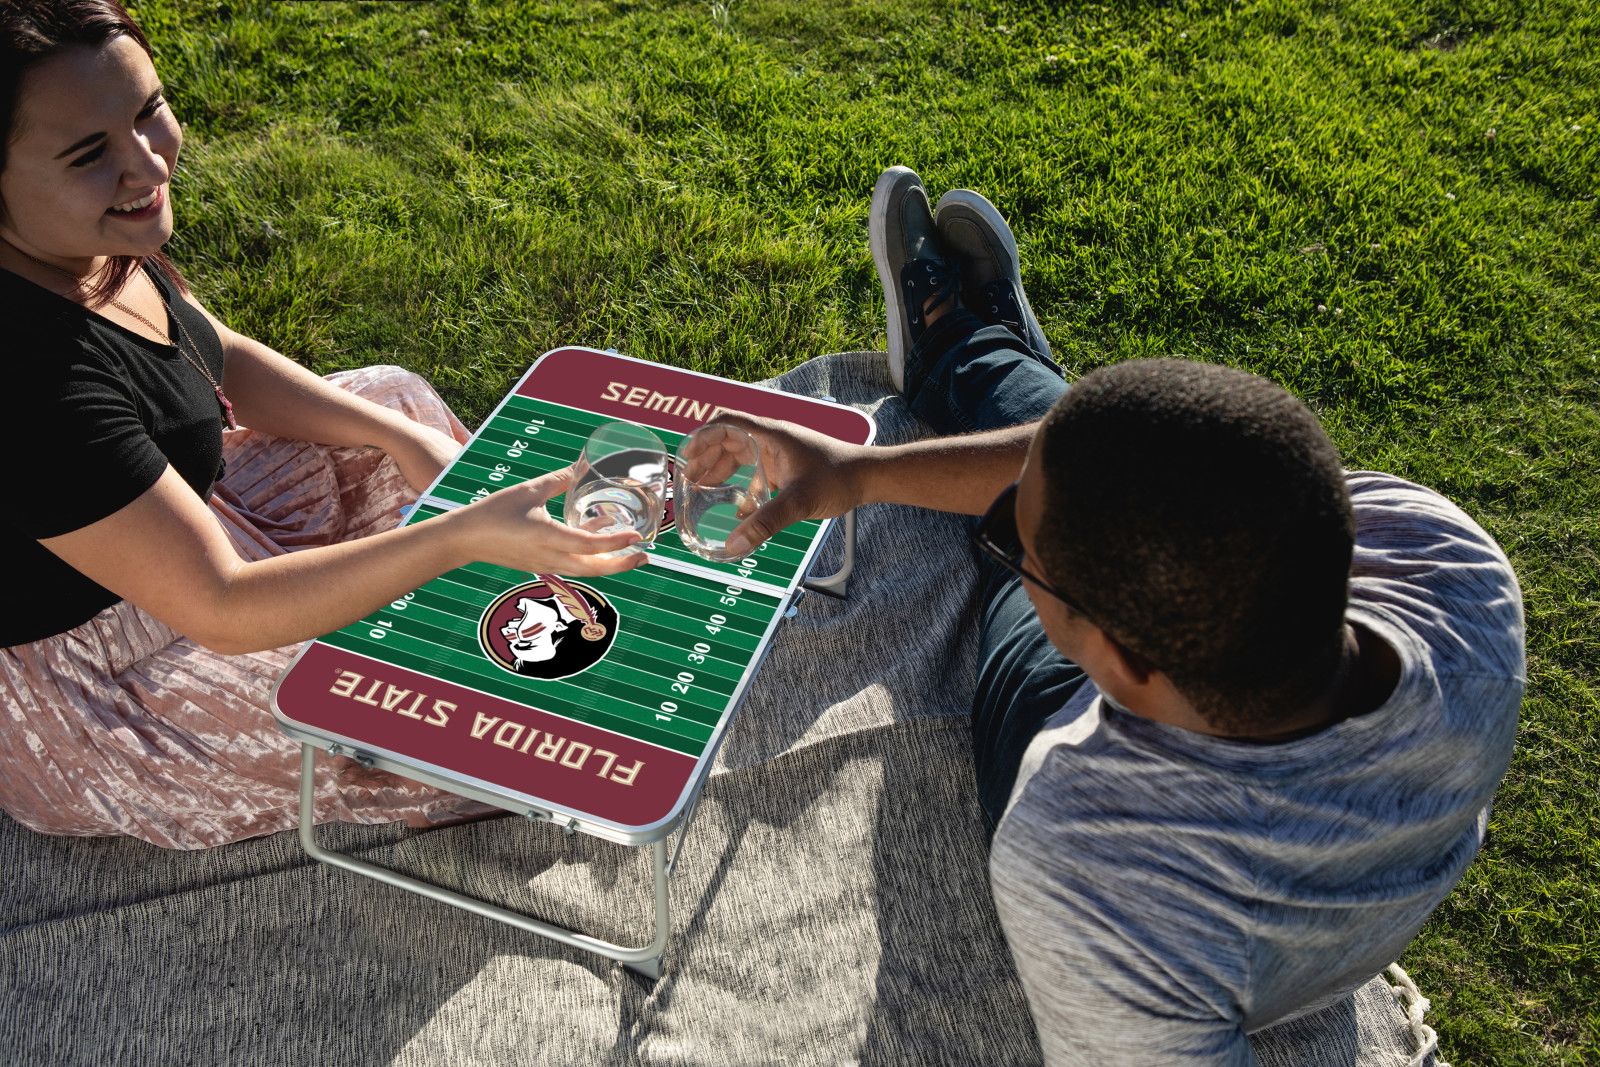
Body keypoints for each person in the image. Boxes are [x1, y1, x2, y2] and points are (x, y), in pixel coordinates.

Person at [713, 165, 1524, 1063]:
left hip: (1083, 756)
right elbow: (1176, 475)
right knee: (1104, 464)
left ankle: (973, 357)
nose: (1003, 539)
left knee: (1050, 515)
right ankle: (984, 359)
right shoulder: (1450, 562)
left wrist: (981, 505)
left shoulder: (1088, 858)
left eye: (1017, 548)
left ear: (1119, 663)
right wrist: (857, 473)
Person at [0, 0, 644, 850]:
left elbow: (214, 354)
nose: (148, 162)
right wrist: (456, 537)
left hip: (191, 526)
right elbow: (222, 605)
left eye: (149, 109)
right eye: (90, 153)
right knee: (449, 713)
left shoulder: (81, 243)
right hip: (109, 682)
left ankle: (512, 579)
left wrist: (403, 439)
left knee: (392, 401)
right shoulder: (29, 378)